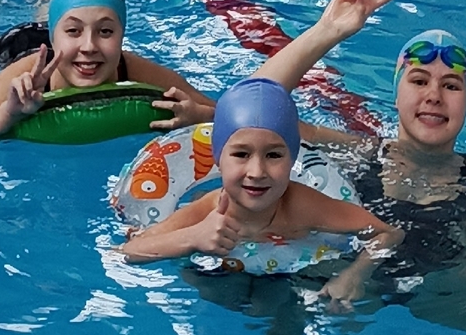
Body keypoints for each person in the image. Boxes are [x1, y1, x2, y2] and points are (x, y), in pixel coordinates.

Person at [252, 0, 466, 282]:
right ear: (396, 97)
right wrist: (327, 32)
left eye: (451, 86)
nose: (434, 96)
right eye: (419, 81)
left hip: (438, 299)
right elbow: (254, 113)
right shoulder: (356, 152)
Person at [119, 77, 403, 305]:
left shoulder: (303, 206)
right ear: (218, 159)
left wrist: (354, 275)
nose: (256, 172)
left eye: (274, 155)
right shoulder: (208, 211)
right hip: (219, 274)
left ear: (292, 159)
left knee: (284, 306)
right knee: (213, 288)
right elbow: (128, 252)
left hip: (290, 273)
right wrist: (194, 236)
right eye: (241, 154)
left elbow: (389, 233)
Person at [0, 0, 216, 142]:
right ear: (54, 37)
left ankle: (53, 5)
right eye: (75, 31)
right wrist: (10, 112)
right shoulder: (20, 74)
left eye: (106, 31)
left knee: (64, 16)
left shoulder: (133, 68)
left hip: (62, 41)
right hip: (17, 48)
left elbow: (221, 113)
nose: (89, 46)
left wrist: (197, 117)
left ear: (122, 36)